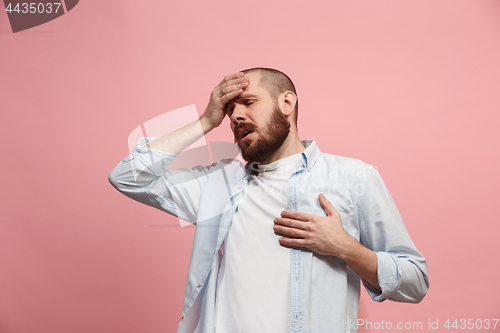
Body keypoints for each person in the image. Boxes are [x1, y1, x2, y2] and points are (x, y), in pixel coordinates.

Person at [108, 68, 429, 333]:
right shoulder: (216, 183)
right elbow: (128, 176)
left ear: (286, 102)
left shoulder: (354, 178)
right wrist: (205, 121)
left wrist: (344, 247)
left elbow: (415, 282)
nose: (235, 116)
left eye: (248, 102)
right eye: (230, 110)